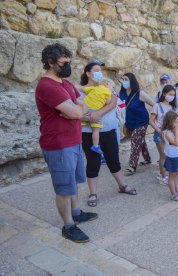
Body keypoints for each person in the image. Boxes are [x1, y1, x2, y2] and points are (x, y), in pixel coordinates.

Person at [36, 43, 97, 243]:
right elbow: (76, 112)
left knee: (73, 183)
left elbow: (82, 106)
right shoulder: (47, 85)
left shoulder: (66, 83)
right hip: (58, 144)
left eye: (69, 61)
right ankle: (68, 225)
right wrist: (76, 111)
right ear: (50, 62)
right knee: (64, 187)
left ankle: (76, 212)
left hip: (73, 141)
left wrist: (77, 109)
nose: (67, 65)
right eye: (63, 63)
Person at [80, 62, 137, 208]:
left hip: (109, 131)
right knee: (93, 163)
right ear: (88, 73)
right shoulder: (81, 91)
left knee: (114, 160)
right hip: (88, 134)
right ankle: (93, 193)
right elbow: (76, 112)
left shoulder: (107, 87)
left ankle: (122, 185)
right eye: (96, 70)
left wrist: (97, 113)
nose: (100, 72)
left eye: (101, 70)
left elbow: (114, 103)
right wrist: (88, 118)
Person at [119, 73, 154, 175]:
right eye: (123, 79)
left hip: (141, 122)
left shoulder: (139, 93)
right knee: (140, 141)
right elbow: (120, 107)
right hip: (129, 122)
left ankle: (132, 166)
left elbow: (153, 104)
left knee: (135, 141)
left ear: (132, 81)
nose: (124, 81)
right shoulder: (122, 93)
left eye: (126, 79)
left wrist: (154, 117)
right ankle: (147, 158)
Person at [80, 69, 112, 155]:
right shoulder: (108, 92)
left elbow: (83, 89)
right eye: (112, 87)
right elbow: (108, 102)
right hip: (94, 111)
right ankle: (95, 146)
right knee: (96, 130)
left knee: (79, 127)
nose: (113, 89)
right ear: (107, 84)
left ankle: (77, 142)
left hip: (84, 108)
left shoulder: (95, 88)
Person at [150, 84, 176, 185]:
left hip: (169, 134)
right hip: (160, 134)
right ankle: (164, 176)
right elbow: (151, 121)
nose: (171, 96)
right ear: (164, 93)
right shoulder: (157, 105)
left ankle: (166, 174)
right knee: (163, 155)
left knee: (168, 154)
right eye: (170, 94)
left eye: (173, 95)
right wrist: (159, 131)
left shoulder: (171, 107)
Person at [162, 111, 178, 202]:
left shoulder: (173, 131)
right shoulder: (167, 133)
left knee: (175, 175)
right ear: (169, 122)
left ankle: (177, 191)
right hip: (172, 157)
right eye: (175, 122)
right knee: (172, 176)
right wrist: (177, 131)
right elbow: (176, 143)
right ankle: (173, 194)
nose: (177, 124)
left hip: (177, 156)